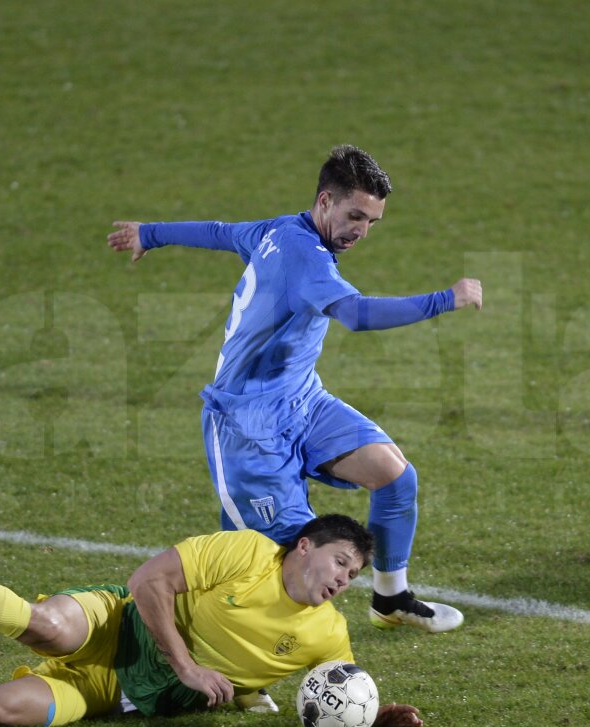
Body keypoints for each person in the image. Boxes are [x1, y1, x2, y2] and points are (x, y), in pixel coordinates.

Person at [108, 144, 482, 641]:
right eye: (355, 216)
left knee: (395, 478)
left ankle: (390, 599)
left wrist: (150, 234)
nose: (361, 232)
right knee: (279, 558)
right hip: (247, 426)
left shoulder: (279, 230)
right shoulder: (305, 257)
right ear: (325, 201)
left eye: (372, 221)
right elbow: (357, 315)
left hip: (302, 401)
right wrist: (447, 299)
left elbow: (221, 233)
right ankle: (224, 665)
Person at [0, 514, 423, 727]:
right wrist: (188, 665)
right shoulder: (249, 552)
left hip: (117, 697)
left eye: (354, 575)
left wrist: (378, 715)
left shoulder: (328, 635)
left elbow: (335, 694)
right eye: (341, 562)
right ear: (305, 547)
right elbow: (149, 582)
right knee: (48, 626)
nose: (344, 580)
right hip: (121, 623)